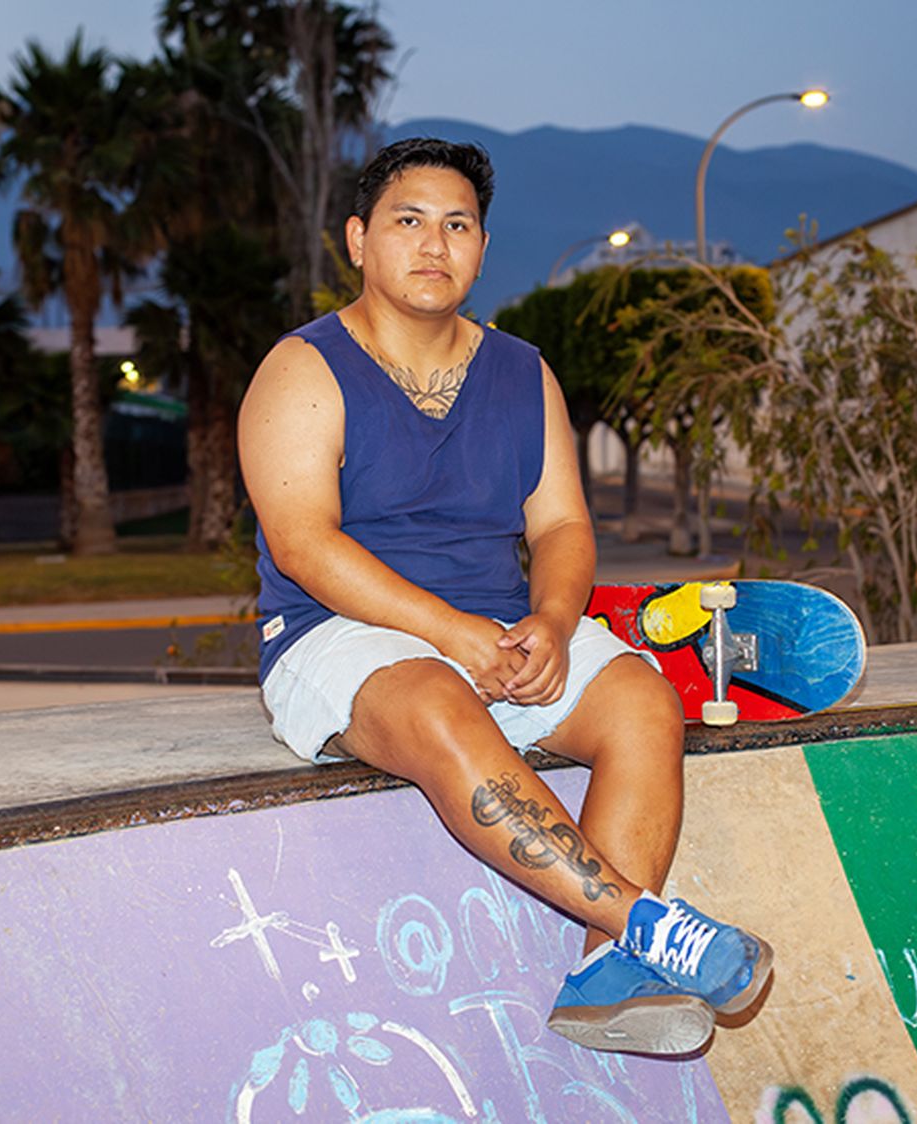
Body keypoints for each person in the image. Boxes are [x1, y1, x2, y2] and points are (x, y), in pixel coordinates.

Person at [238, 137, 771, 1056]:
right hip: (337, 635)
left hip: (496, 631)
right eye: (409, 222)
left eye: (458, 225)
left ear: (483, 248)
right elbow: (305, 544)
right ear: (360, 239)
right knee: (440, 696)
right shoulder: (303, 369)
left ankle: (611, 970)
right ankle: (648, 925)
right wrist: (453, 635)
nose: (434, 244)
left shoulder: (523, 372)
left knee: (642, 697)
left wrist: (557, 624)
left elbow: (561, 527)